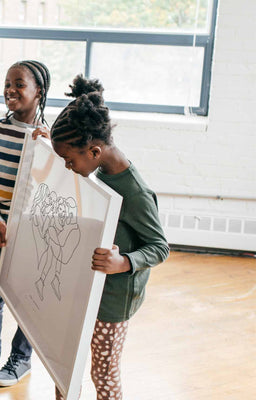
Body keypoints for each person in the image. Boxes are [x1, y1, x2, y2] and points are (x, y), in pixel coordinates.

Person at [49, 75, 170, 400]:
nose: (68, 166)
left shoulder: (136, 193)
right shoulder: (97, 167)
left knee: (103, 371)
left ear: (94, 150)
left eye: (69, 160)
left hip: (113, 299)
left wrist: (125, 262)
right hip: (85, 286)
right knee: (65, 362)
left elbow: (160, 248)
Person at [0, 60, 51, 393]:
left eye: (19, 84)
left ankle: (20, 359)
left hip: (32, 231)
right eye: (6, 84)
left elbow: (54, 188)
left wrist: (49, 150)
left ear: (38, 92)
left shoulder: (51, 138)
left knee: (29, 299)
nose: (10, 90)